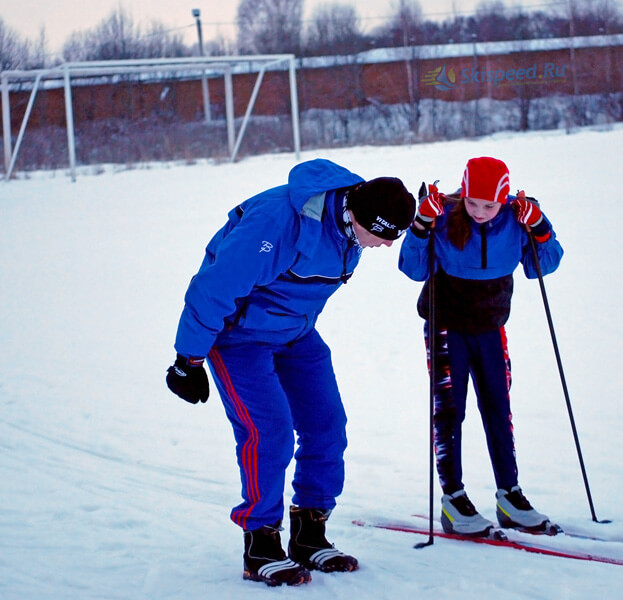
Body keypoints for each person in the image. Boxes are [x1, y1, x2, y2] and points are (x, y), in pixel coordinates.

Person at [165, 158, 415, 586]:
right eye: (382, 236)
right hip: (239, 338)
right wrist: (189, 359)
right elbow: (215, 286)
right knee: (270, 431)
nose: (386, 247)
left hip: (296, 334)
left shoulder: (353, 221)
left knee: (327, 425)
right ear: (356, 215)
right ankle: (260, 542)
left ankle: (309, 533)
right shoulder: (277, 221)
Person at [398, 157, 564, 537]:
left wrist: (539, 227)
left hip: (490, 328)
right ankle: (453, 498)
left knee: (498, 408)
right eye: (472, 202)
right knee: (450, 412)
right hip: (446, 328)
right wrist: (421, 225)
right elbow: (413, 269)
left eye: (489, 206)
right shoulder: (445, 214)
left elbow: (544, 266)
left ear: (504, 198)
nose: (479, 212)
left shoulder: (516, 219)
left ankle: (510, 495)